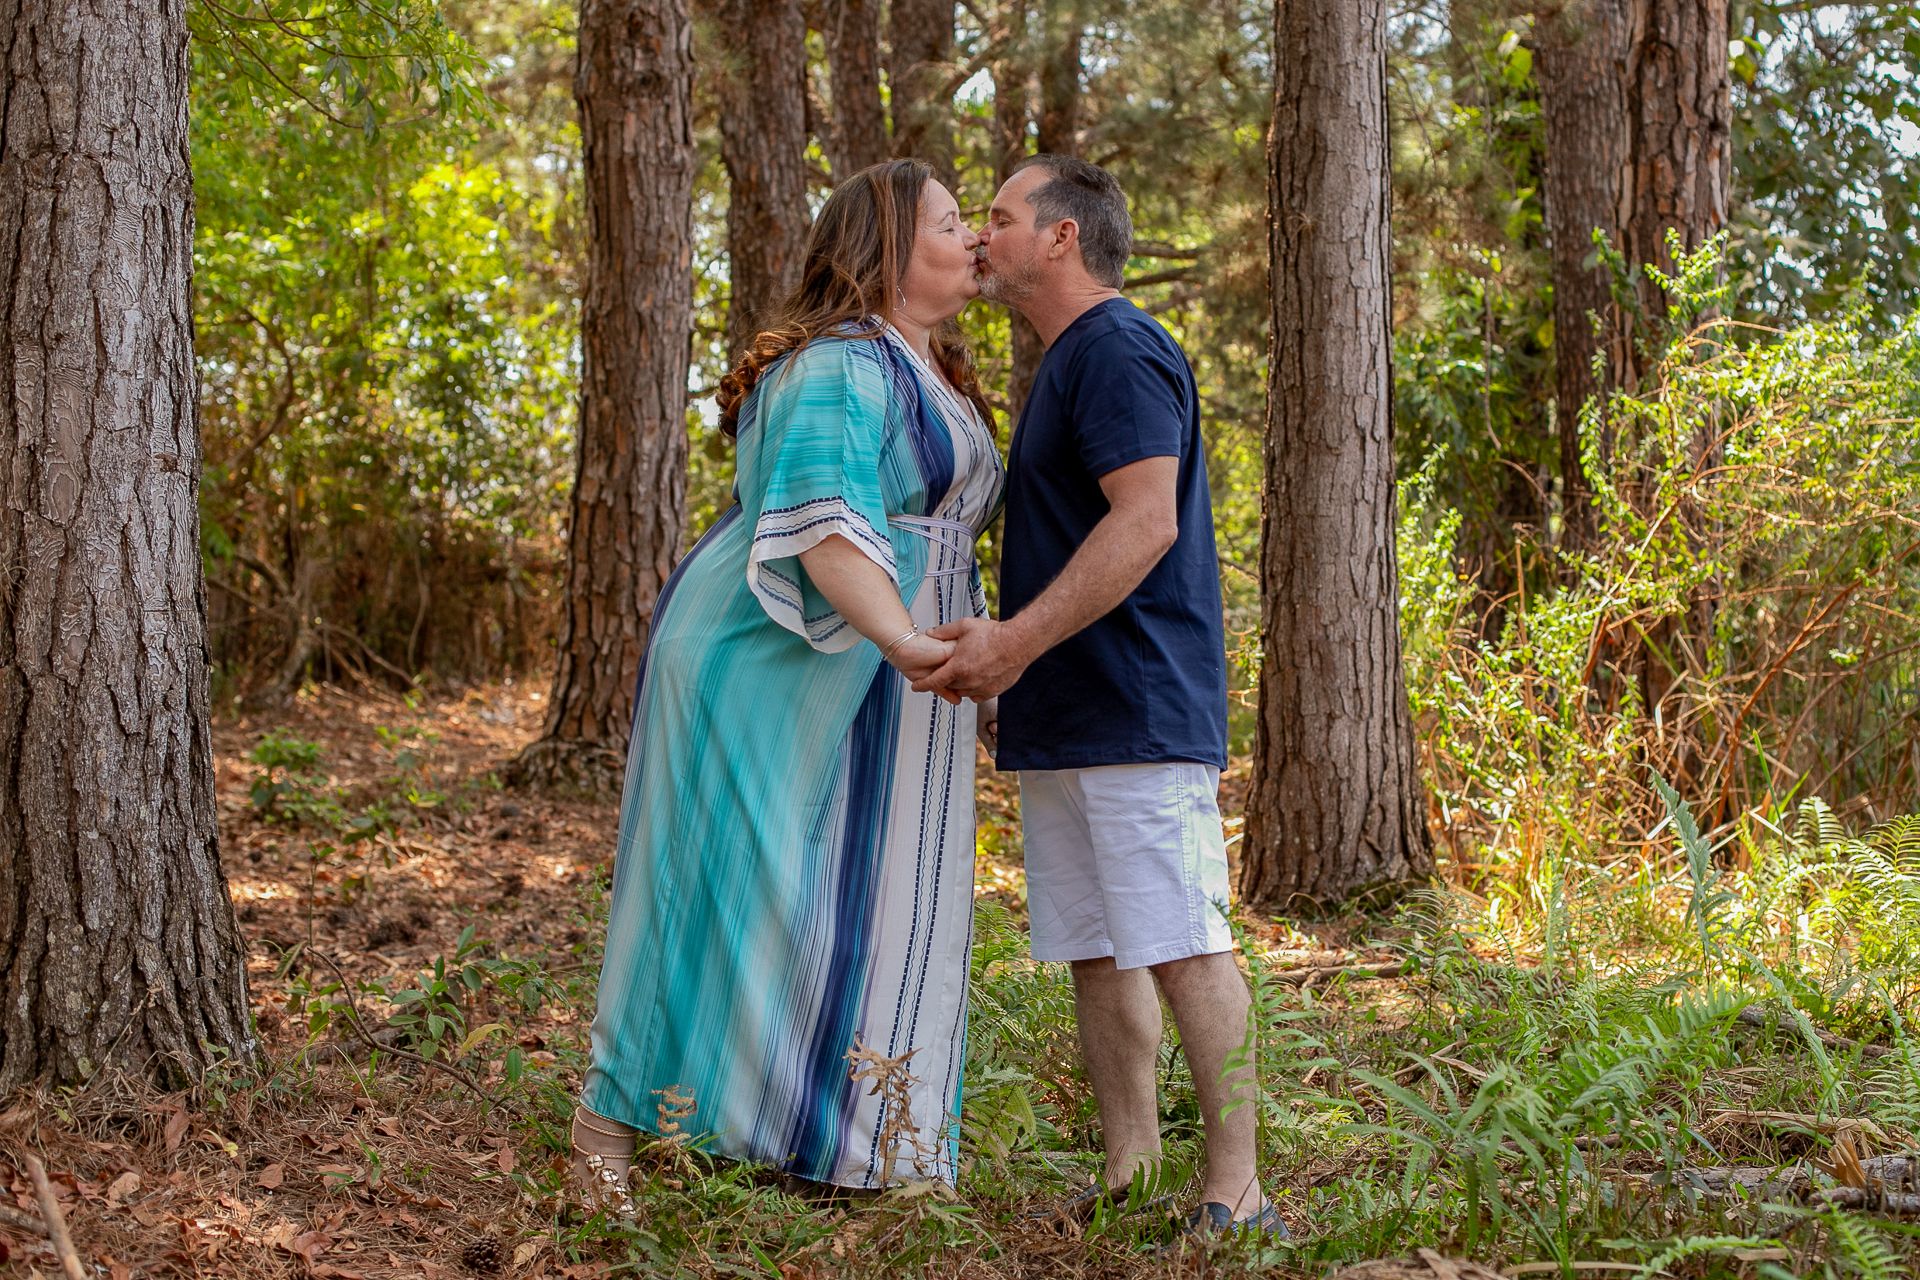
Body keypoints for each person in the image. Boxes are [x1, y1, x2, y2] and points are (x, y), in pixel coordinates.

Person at [568, 159, 1004, 1211]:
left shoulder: (927, 365)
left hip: (890, 659)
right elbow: (820, 526)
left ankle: (856, 1143)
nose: (975, 238)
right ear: (892, 255)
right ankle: (601, 1138)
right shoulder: (836, 369)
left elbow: (934, 534)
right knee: (717, 885)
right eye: (954, 223)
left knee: (861, 897)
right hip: (768, 654)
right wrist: (906, 642)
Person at [915, 154, 1284, 1238]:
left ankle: (1239, 1185)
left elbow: (1146, 521)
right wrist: (1015, 673)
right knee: (1096, 941)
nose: (980, 237)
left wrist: (1013, 645)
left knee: (1176, 934)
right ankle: (1131, 1165)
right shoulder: (1067, 362)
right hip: (1069, 711)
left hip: (1134, 701)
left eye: (998, 218)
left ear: (1062, 237)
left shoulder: (1118, 348)